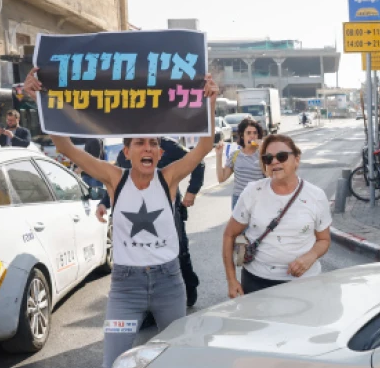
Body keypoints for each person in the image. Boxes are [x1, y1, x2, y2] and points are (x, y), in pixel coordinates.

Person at [21, 67, 218, 368]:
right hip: (126, 290)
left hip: (170, 285)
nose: (148, 147)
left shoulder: (168, 178)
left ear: (159, 152)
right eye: (139, 142)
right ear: (126, 152)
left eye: (153, 143)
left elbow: (205, 145)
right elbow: (65, 148)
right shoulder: (115, 178)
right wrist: (41, 99)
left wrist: (209, 102)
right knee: (113, 367)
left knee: (176, 361)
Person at [96, 137, 205, 307]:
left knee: (179, 251)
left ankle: (188, 290)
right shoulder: (128, 148)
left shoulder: (168, 145)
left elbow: (198, 161)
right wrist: (104, 202)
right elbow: (115, 182)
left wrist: (192, 190)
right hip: (135, 216)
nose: (147, 148)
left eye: (152, 144)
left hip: (166, 210)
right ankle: (147, 306)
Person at [222, 134, 331, 296]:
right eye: (268, 158)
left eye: (282, 156)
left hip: (305, 282)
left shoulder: (316, 195)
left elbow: (324, 239)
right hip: (257, 283)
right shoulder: (252, 192)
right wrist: (231, 280)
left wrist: (311, 256)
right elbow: (229, 235)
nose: (274, 162)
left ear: (297, 159)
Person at [215, 118, 266, 208]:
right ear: (242, 136)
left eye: (255, 133)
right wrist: (219, 156)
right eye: (248, 133)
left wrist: (262, 151)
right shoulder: (235, 155)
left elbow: (268, 175)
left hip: (258, 199)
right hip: (239, 199)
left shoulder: (263, 154)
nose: (252, 136)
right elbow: (221, 178)